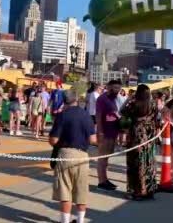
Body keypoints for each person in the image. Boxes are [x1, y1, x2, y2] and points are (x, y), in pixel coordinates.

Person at [49, 90, 96, 223]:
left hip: (65, 154)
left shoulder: (62, 115)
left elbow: (53, 140)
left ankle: (65, 221)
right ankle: (80, 220)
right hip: (82, 156)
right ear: (77, 100)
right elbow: (93, 139)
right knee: (81, 191)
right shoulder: (86, 115)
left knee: (65, 191)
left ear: (64, 101)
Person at [121, 84, 157, 200]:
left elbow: (121, 112)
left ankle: (137, 191)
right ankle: (149, 190)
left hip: (136, 134)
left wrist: (128, 98)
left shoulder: (133, 104)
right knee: (148, 161)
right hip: (150, 134)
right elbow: (157, 118)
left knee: (136, 162)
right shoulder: (154, 104)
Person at [95, 79, 122, 191]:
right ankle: (101, 182)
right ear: (109, 87)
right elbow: (98, 116)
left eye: (118, 88)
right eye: (115, 88)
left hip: (113, 131)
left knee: (107, 157)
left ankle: (105, 180)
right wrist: (100, 132)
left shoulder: (115, 99)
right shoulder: (102, 99)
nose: (117, 90)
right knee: (102, 157)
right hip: (105, 132)